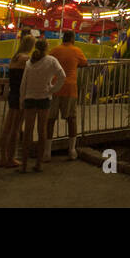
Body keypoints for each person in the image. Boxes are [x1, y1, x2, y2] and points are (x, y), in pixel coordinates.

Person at [18, 41, 65, 172]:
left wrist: (22, 99)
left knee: (27, 131)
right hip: (44, 98)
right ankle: (38, 163)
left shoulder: (29, 63)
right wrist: (52, 89)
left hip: (29, 98)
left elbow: (24, 83)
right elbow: (62, 76)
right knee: (41, 130)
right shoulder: (51, 61)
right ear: (47, 48)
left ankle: (24, 165)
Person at [45, 30, 89, 161]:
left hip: (54, 87)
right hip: (70, 88)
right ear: (73, 39)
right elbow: (84, 63)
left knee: (50, 120)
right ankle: (72, 150)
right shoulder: (76, 51)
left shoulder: (54, 50)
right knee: (71, 118)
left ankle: (47, 151)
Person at [0, 36, 36, 168]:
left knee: (7, 127)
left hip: (13, 93)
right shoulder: (26, 59)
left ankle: (3, 157)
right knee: (16, 128)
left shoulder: (15, 58)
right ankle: (11, 158)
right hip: (20, 94)